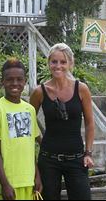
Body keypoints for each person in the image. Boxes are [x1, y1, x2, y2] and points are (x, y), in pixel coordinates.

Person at [30, 43, 95, 200]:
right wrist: (40, 140)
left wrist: (88, 153)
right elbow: (28, 122)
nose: (58, 66)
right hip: (48, 159)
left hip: (77, 158)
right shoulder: (39, 92)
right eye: (54, 61)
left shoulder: (81, 89)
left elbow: (89, 123)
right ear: (49, 63)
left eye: (63, 62)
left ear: (70, 64)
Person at [0, 58, 42, 200]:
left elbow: (30, 146)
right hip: (8, 183)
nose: (15, 83)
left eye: (19, 79)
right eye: (10, 79)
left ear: (25, 81)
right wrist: (4, 184)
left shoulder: (29, 109)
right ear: (2, 81)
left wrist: (37, 175)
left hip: (28, 181)